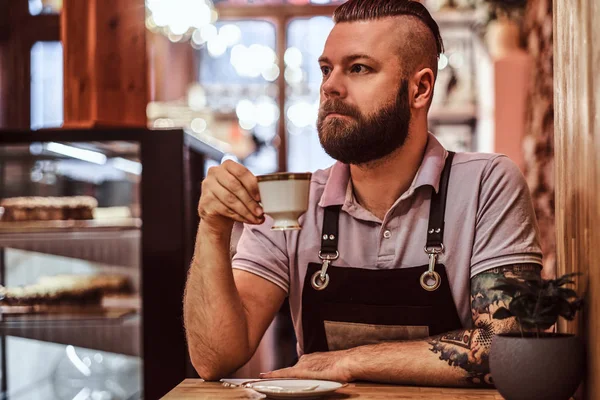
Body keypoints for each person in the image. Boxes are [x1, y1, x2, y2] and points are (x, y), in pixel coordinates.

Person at [184, 0, 543, 388]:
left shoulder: (487, 184)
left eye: (358, 68)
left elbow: (510, 348)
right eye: (326, 69)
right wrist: (213, 229)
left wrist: (352, 360)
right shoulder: (291, 200)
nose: (330, 86)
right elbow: (214, 358)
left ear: (419, 89)